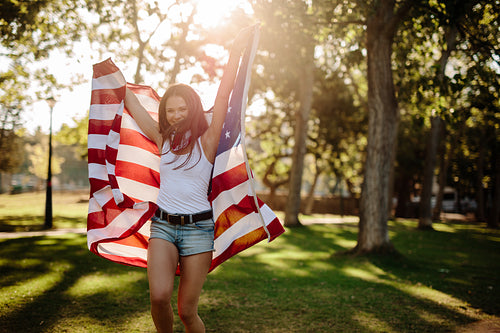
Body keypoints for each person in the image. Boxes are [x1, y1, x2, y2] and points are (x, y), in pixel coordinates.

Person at [124, 26, 254, 333]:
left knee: (187, 312)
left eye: (183, 108)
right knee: (158, 297)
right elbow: (133, 105)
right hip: (164, 226)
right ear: (165, 115)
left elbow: (224, 93)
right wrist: (113, 78)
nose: (176, 115)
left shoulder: (207, 141)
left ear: (192, 109)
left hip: (199, 230)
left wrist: (235, 52)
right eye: (170, 111)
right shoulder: (161, 138)